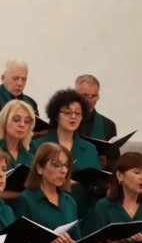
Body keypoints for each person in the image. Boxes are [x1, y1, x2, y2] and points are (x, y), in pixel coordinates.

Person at [34, 88, 102, 217]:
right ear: (56, 116)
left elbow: (96, 182)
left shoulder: (89, 148)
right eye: (67, 112)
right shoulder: (39, 145)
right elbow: (33, 179)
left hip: (82, 212)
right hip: (46, 210)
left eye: (78, 113)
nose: (73, 117)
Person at [75, 73, 120, 167]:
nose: (90, 100)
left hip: (95, 178)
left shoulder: (108, 125)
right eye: (85, 96)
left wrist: (105, 163)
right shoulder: (63, 121)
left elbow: (115, 161)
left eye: (94, 96)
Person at [0, 100, 35, 169]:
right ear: (4, 121)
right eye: (16, 119)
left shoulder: (30, 159)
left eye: (27, 121)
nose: (22, 125)